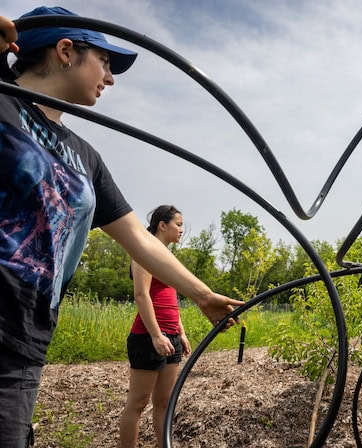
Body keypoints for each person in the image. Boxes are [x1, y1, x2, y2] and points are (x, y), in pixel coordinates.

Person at [0, 7, 243, 446]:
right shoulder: (2, 103)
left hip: (22, 339)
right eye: (105, 63)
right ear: (65, 51)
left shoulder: (87, 158)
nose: (110, 79)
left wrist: (203, 296)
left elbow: (137, 239)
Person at [119, 206, 193, 448]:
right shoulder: (144, 250)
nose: (182, 229)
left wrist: (179, 332)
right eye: (178, 224)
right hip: (148, 337)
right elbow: (141, 295)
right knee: (138, 402)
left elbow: (170, 296)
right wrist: (156, 335)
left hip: (170, 336)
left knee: (164, 402)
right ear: (163, 225)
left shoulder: (167, 256)